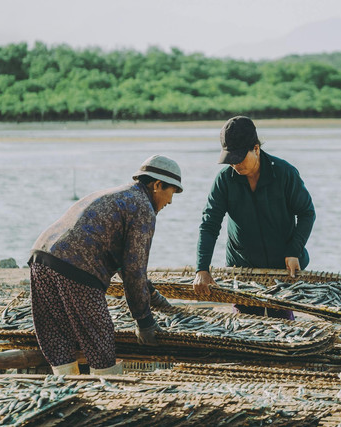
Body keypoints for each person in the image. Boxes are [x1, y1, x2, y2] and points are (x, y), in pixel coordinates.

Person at [28, 155, 181, 376]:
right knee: (100, 342)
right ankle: (105, 396)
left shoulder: (118, 195)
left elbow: (125, 265)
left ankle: (66, 394)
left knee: (58, 338)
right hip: (78, 268)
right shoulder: (143, 207)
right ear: (157, 185)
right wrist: (144, 321)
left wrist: (154, 297)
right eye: (171, 193)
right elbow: (133, 271)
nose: (170, 202)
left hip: (41, 258)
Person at [193, 116, 315, 319]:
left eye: (239, 158)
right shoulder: (224, 180)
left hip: (282, 265)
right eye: (230, 160)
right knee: (245, 323)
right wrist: (202, 269)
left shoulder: (285, 173)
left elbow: (306, 213)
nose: (235, 165)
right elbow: (209, 225)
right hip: (242, 267)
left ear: (256, 149)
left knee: (283, 323)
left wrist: (294, 251)